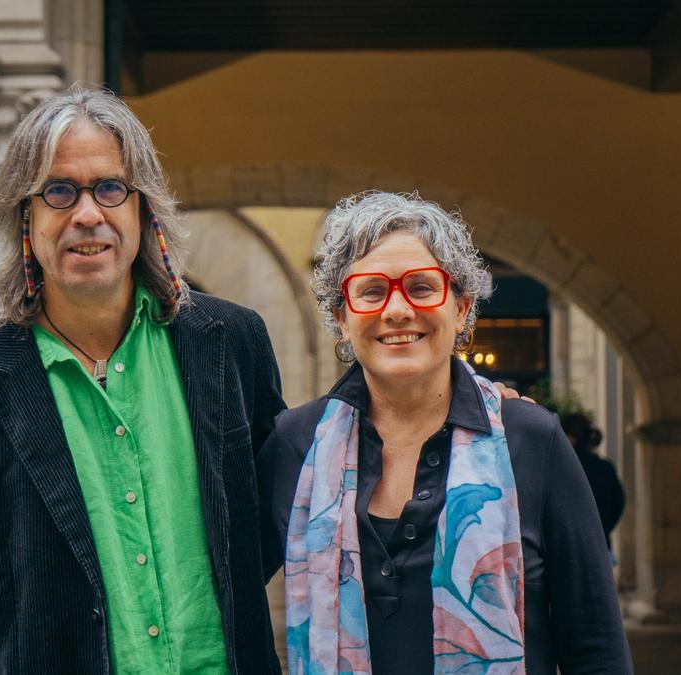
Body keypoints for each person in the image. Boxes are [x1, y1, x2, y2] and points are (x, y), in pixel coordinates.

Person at [0, 86, 285, 674]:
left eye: (109, 188)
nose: (86, 214)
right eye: (58, 191)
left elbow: (269, 523)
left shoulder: (232, 343)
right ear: (25, 216)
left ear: (143, 208)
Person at [258, 191, 632, 674]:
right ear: (341, 319)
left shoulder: (530, 440)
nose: (397, 310)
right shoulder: (295, 442)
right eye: (371, 291)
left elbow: (596, 645)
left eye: (421, 287)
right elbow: (227, 599)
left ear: (461, 309)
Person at [561, 412, 626, 552]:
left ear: (570, 438)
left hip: (568, 550)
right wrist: (604, 528)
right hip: (600, 545)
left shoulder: (561, 469)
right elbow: (618, 503)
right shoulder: (605, 467)